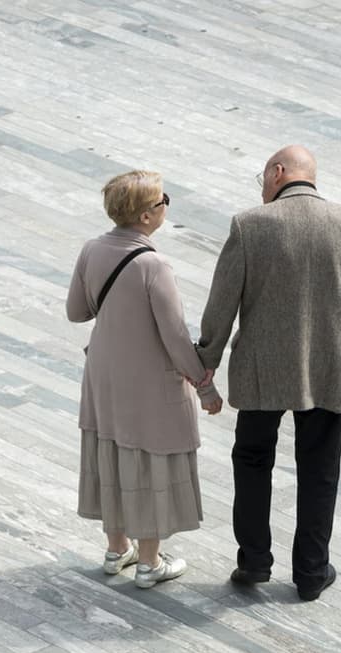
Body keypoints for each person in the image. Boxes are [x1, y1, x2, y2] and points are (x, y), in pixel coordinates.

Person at [195, 145, 341, 601]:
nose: (262, 189)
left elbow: (221, 303)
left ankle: (255, 561)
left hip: (263, 369)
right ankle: (310, 572)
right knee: (320, 469)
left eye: (262, 177)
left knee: (252, 461)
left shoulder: (249, 225)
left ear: (278, 173)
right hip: (330, 366)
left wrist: (207, 358)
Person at [67, 170, 222, 589]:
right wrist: (204, 387)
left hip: (103, 372)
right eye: (162, 200)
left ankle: (117, 549)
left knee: (110, 449)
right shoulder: (154, 265)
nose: (165, 207)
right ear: (146, 216)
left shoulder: (91, 249)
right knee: (148, 460)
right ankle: (150, 563)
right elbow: (174, 338)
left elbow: (77, 312)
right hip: (149, 382)